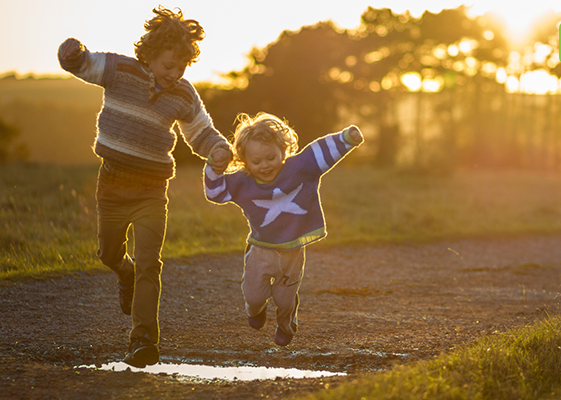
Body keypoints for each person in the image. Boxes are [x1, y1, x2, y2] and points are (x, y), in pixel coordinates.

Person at [57, 6, 232, 368]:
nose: (174, 74)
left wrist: (218, 149)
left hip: (153, 190)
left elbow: (201, 132)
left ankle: (142, 341)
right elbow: (85, 64)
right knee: (108, 253)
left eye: (181, 68)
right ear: (149, 56)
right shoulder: (120, 70)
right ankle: (125, 272)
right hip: (113, 184)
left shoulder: (183, 94)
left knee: (151, 264)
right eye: (168, 65)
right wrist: (72, 54)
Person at [203, 112, 363, 346]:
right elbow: (214, 193)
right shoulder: (242, 182)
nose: (265, 165)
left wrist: (346, 138)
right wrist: (214, 168)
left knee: (285, 299)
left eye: (271, 157)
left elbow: (319, 153)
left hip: (292, 251)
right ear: (245, 161)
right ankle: (255, 311)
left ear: (283, 151)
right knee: (254, 295)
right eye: (256, 162)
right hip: (260, 250)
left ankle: (287, 325)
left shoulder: (298, 168)